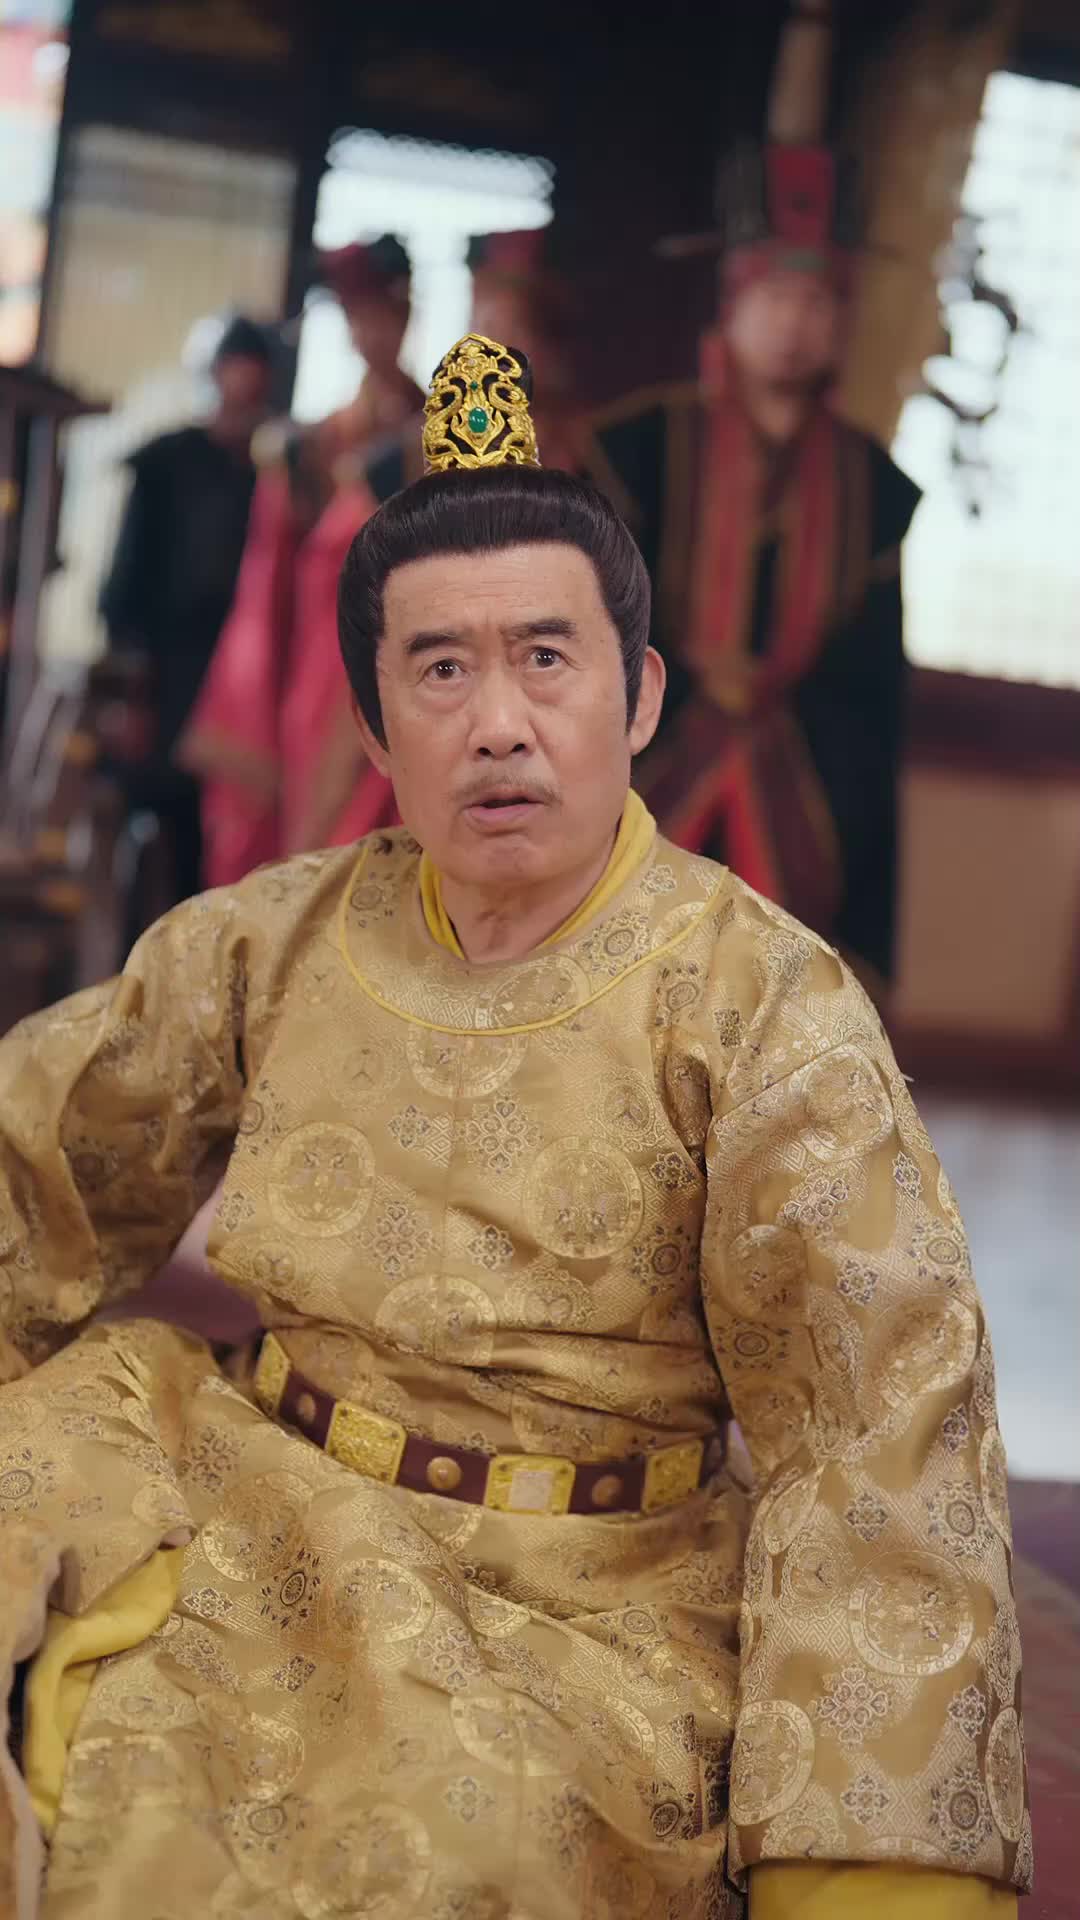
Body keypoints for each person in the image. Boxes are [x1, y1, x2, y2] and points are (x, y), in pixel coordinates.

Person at [0, 336, 1027, 1920]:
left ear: (640, 695)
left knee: (445, 1864)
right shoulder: (276, 937)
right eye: (439, 670)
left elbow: (874, 1426)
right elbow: (47, 1153)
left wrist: (867, 1857)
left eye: (546, 658)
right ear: (374, 725)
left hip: (580, 1592)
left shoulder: (763, 1006)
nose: (496, 724)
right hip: (250, 1474)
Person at [588, 6, 918, 1004]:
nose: (793, 323)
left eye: (817, 303)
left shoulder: (874, 487)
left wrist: (770, 708)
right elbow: (591, 617)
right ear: (731, 306)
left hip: (801, 784)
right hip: (649, 746)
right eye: (774, 296)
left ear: (843, 322)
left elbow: (872, 690)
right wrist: (694, 682)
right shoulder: (638, 445)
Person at [178, 237, 422, 885]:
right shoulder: (312, 449)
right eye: (360, 317)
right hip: (322, 672)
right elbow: (269, 589)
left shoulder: (439, 437)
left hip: (417, 664)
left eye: (388, 314)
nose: (375, 332)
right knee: (312, 855)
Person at [98, 315, 274, 905]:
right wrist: (131, 695)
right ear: (215, 376)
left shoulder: (268, 473)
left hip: (238, 682)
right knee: (155, 846)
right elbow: (125, 589)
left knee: (224, 848)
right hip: (165, 678)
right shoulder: (165, 463)